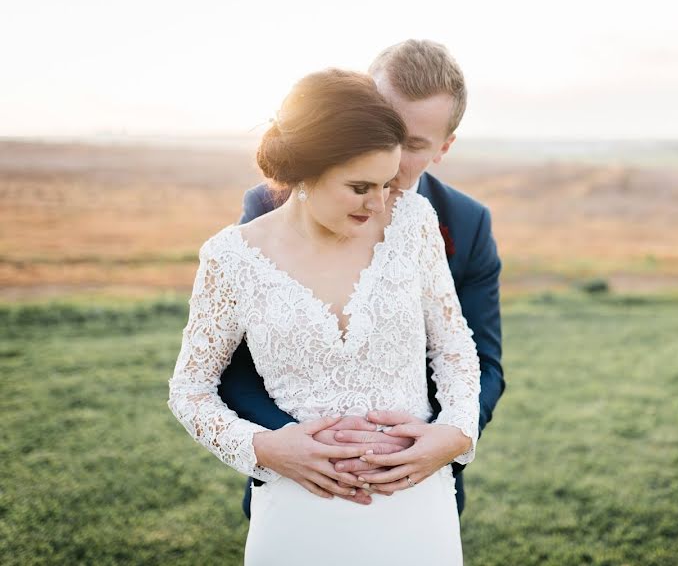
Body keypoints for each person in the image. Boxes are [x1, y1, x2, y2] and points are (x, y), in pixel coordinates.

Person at [168, 68, 480, 564]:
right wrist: (266, 448)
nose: (379, 202)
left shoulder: (413, 224)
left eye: (385, 183)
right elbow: (190, 389)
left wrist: (457, 431)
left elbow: (454, 345)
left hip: (415, 502)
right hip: (297, 509)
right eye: (360, 187)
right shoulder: (231, 258)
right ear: (307, 172)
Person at [218, 40, 505, 517]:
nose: (387, 152)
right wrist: (287, 443)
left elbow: (482, 361)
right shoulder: (270, 206)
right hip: (296, 481)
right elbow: (234, 363)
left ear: (443, 149)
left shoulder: (465, 222)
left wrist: (443, 438)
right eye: (383, 125)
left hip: (414, 484)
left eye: (412, 144)